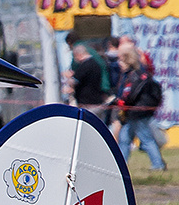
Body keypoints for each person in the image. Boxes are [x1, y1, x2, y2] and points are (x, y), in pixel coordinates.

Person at [114, 42, 166, 171]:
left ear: (127, 60)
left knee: (146, 139)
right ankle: (120, 166)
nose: (119, 63)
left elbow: (130, 95)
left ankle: (158, 165)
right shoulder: (129, 75)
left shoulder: (135, 76)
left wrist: (121, 102)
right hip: (132, 114)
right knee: (124, 139)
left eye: (121, 60)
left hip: (138, 113)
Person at [68, 42, 111, 120]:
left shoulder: (85, 66)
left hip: (88, 104)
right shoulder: (96, 64)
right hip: (97, 101)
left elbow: (74, 81)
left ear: (79, 54)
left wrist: (69, 78)